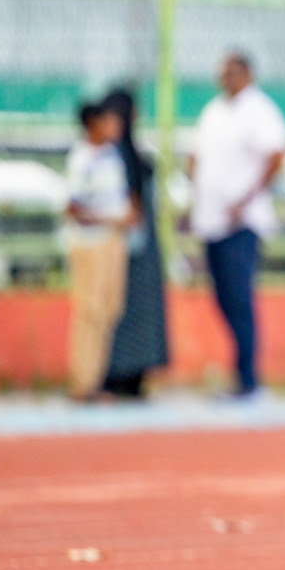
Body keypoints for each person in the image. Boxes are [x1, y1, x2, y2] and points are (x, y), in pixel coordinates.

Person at [190, 52, 285, 397]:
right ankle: (240, 371)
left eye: (232, 72)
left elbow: (277, 153)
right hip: (211, 220)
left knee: (239, 297)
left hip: (241, 223)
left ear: (247, 73)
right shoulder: (214, 111)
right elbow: (198, 156)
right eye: (221, 72)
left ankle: (247, 377)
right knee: (222, 297)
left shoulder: (258, 110)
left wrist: (246, 198)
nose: (225, 78)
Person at [101, 87, 170, 398]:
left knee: (139, 312)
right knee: (117, 310)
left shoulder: (129, 153)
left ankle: (133, 373)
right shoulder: (109, 156)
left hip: (139, 247)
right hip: (118, 244)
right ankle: (116, 372)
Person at [63, 98, 134, 401]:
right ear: (93, 124)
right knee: (89, 313)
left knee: (107, 311)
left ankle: (96, 380)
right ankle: (83, 383)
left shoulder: (111, 155)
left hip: (112, 242)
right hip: (91, 244)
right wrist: (111, 219)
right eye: (109, 121)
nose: (115, 127)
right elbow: (73, 208)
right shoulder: (82, 159)